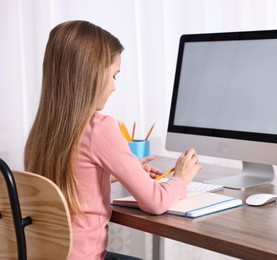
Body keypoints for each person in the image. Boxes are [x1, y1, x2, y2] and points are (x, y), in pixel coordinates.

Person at [24, 20, 201, 260]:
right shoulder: (99, 127)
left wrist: (119, 172)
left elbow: (68, 181)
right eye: (114, 75)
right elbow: (155, 202)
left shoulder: (43, 129)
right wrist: (181, 178)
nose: (115, 87)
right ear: (92, 75)